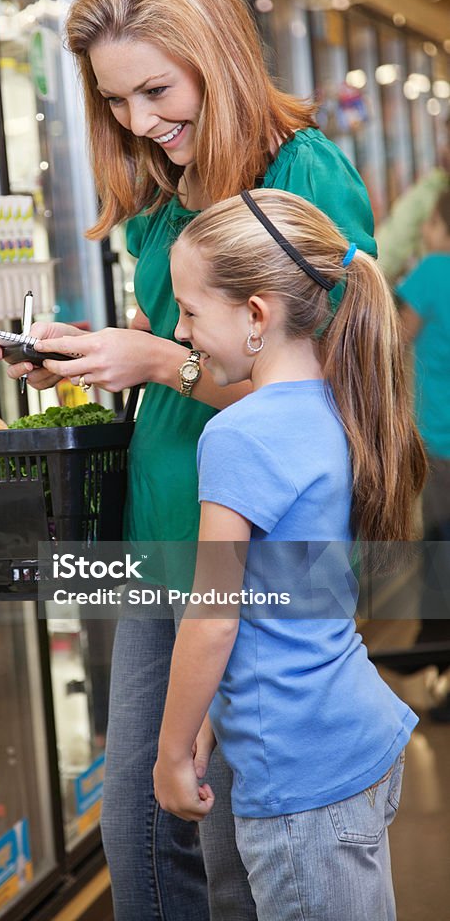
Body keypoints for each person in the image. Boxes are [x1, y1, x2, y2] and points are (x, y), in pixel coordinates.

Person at [0, 0, 376, 921]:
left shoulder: (300, 175)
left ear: (211, 51)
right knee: (144, 838)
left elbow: (323, 398)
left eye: (155, 89)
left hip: (250, 557)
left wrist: (157, 360)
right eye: (114, 102)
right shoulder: (162, 201)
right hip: (157, 537)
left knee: (237, 853)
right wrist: (94, 352)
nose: (139, 121)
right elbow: (182, 348)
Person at [154, 189, 426, 921]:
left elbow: (212, 618)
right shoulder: (337, 405)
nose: (181, 334)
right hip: (348, 729)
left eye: (188, 311)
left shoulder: (239, 434)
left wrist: (172, 752)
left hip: (302, 773)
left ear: (254, 315)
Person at [396, 188, 450, 714]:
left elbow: (393, 338)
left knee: (441, 551)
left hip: (441, 444)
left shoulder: (432, 271)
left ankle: (432, 651)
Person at [375, 117, 449, 285]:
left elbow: (385, 256)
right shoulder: (432, 188)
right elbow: (387, 252)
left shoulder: (431, 271)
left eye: (434, 223)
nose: (444, 149)